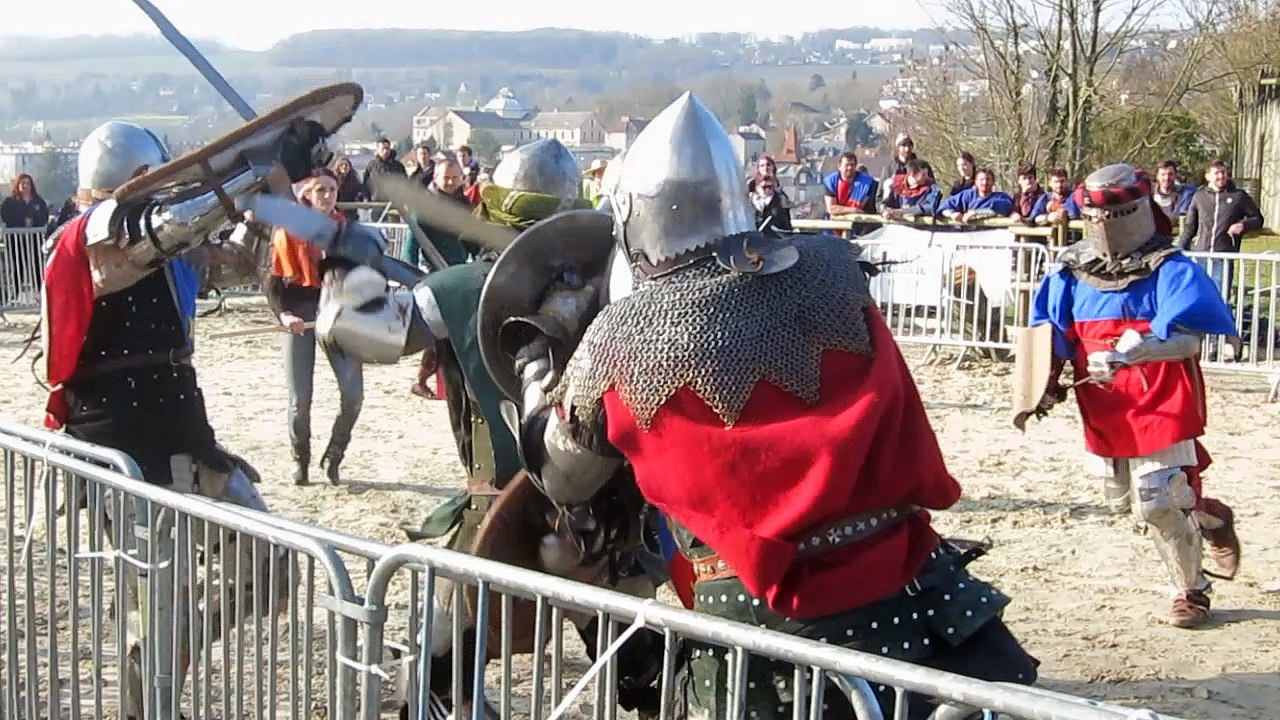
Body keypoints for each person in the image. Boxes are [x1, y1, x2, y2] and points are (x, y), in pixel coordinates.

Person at [505, 91, 1038, 720]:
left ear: (632, 220)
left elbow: (561, 475)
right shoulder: (835, 278)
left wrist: (537, 355)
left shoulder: (624, 341)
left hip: (767, 636)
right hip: (911, 591)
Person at [288, 138, 656, 718]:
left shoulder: (461, 288)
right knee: (650, 674)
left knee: (434, 681)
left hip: (504, 518)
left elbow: (347, 328)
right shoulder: (618, 288)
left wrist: (347, 259)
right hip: (605, 514)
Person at [39, 117, 324, 719]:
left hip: (187, 435)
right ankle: (153, 698)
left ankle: (163, 651)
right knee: (159, 597)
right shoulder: (87, 243)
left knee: (272, 565)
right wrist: (252, 174)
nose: (161, 193)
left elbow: (240, 260)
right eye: (150, 179)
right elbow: (161, 235)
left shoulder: (167, 252)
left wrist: (271, 188)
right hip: (124, 446)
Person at [1025, 163, 1243, 628]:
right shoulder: (1071, 269)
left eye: (1115, 214)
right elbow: (1052, 335)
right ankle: (1208, 515)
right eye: (1097, 216)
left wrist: (1141, 351)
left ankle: (1192, 591)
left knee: (1157, 499)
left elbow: (1187, 341)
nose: (1105, 226)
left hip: (1159, 389)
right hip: (1104, 400)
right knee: (1125, 502)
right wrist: (1043, 385)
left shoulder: (1169, 267)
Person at [267, 168, 364, 485]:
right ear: (306, 194)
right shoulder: (288, 230)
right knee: (301, 400)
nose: (327, 195)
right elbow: (273, 283)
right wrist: (284, 315)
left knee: (353, 395)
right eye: (320, 189)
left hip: (338, 314)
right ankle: (301, 458)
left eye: (332, 189)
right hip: (300, 311)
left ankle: (334, 455)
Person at [1176, 160, 1262, 298]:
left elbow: (1258, 219)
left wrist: (1243, 225)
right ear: (1208, 176)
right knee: (1198, 295)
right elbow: (1190, 227)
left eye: (1223, 172)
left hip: (1223, 256)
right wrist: (1180, 248)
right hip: (1201, 256)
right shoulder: (1199, 196)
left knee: (1220, 297)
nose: (1221, 176)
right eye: (1217, 173)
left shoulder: (1239, 196)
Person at [939, 168, 1015, 222]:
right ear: (975, 181)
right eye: (981, 179)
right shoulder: (967, 196)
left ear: (993, 182)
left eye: (988, 179)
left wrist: (976, 213)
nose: (985, 182)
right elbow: (944, 207)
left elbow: (1002, 208)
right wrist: (952, 214)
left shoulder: (1001, 197)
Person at [362, 137, 406, 202]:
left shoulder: (398, 166)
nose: (385, 151)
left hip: (394, 204)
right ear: (377, 150)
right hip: (375, 203)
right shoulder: (371, 166)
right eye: (382, 149)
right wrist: (366, 199)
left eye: (387, 148)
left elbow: (405, 184)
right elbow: (366, 185)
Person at [1153, 160, 1195, 228]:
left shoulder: (1187, 193)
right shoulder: (1148, 195)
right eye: (1163, 174)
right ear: (1157, 176)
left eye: (1170, 174)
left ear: (1175, 175)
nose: (1167, 178)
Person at [332, 155, 366, 221]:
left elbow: (359, 193)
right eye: (341, 165)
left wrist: (361, 197)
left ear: (350, 167)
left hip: (351, 211)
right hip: (337, 210)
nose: (344, 167)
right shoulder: (333, 179)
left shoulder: (354, 179)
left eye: (346, 165)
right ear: (338, 166)